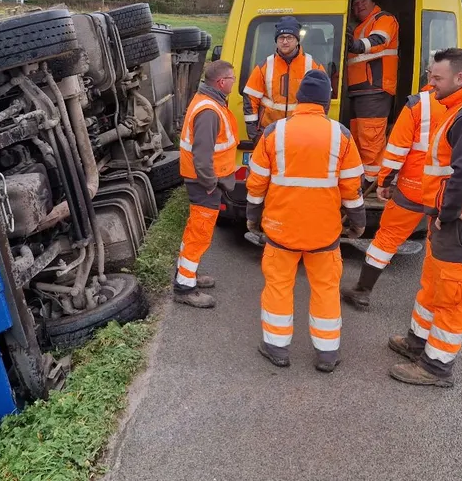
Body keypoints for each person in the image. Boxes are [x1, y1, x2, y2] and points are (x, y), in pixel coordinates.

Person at [388, 48, 462, 388]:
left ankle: (436, 367)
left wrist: (448, 213)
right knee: (434, 286)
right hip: (456, 219)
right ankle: (418, 344)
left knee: (452, 296)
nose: (431, 84)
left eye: (436, 78)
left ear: (461, 78)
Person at [245, 69, 366, 372]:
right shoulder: (342, 136)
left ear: (299, 99)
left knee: (278, 286)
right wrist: (358, 221)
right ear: (326, 102)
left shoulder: (275, 132)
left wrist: (252, 217)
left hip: (280, 229)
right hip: (324, 233)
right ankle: (326, 354)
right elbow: (352, 187)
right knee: (325, 288)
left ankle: (277, 348)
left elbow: (256, 182)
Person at [340, 83, 447, 310]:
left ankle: (363, 290)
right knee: (439, 243)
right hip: (449, 191)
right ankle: (437, 300)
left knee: (388, 237)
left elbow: (397, 149)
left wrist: (384, 182)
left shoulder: (420, 104)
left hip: (414, 186)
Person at [174, 60, 240, 309]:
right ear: (222, 82)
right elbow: (202, 155)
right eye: (232, 78)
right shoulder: (209, 110)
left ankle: (187, 273)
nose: (234, 82)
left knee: (195, 231)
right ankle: (184, 288)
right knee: (198, 235)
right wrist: (211, 183)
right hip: (205, 184)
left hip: (204, 182)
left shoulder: (207, 102)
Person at [242, 16, 327, 148]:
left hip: (301, 133)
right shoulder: (264, 66)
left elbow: (323, 101)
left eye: (290, 37)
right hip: (270, 131)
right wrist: (254, 134)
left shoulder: (313, 65)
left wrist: (315, 129)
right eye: (281, 38)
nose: (285, 42)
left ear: (297, 40)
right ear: (276, 41)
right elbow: (250, 98)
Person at [346, 0, 400, 188]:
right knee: (359, 137)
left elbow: (379, 40)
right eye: (355, 4)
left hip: (375, 88)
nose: (359, 6)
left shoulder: (383, 19)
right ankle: (365, 176)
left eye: (363, 1)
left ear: (374, 2)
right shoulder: (359, 27)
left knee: (370, 138)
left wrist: (355, 45)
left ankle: (373, 182)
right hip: (358, 89)